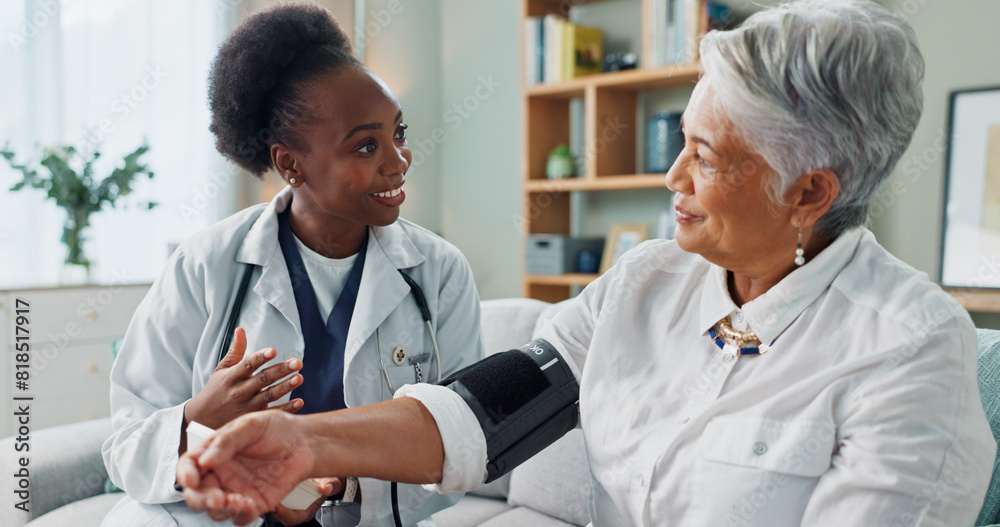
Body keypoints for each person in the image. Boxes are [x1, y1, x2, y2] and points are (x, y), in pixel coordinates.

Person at [176, 1, 998, 526]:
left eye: (706, 159)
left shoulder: (909, 349)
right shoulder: (645, 282)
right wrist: (303, 440)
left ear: (810, 191)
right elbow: (475, 414)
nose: (671, 179)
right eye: (680, 141)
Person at [101, 4, 485, 526]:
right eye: (366, 145)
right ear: (290, 164)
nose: (398, 160)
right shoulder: (206, 264)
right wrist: (199, 417)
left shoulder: (438, 273)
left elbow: (462, 439)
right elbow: (126, 444)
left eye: (398, 132)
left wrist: (338, 483)